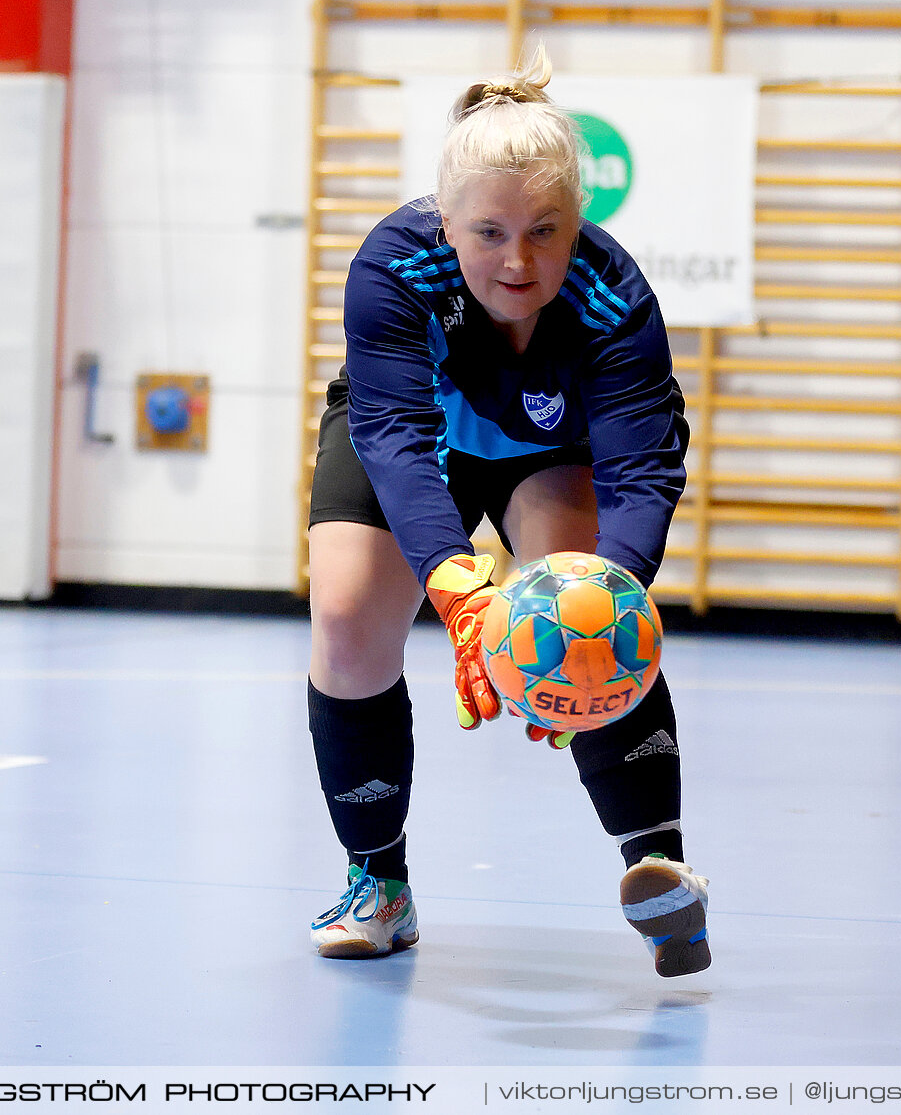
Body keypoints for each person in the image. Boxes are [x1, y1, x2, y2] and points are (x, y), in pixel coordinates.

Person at [304, 47, 709, 977]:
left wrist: (601, 596)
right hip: (416, 442)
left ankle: (659, 866)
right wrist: (462, 595)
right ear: (444, 221)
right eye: (487, 232)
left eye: (545, 230)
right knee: (346, 623)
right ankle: (380, 882)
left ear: (580, 222)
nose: (517, 260)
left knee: (592, 615)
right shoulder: (393, 270)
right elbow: (397, 442)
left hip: (546, 452)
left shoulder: (616, 302)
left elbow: (643, 474)